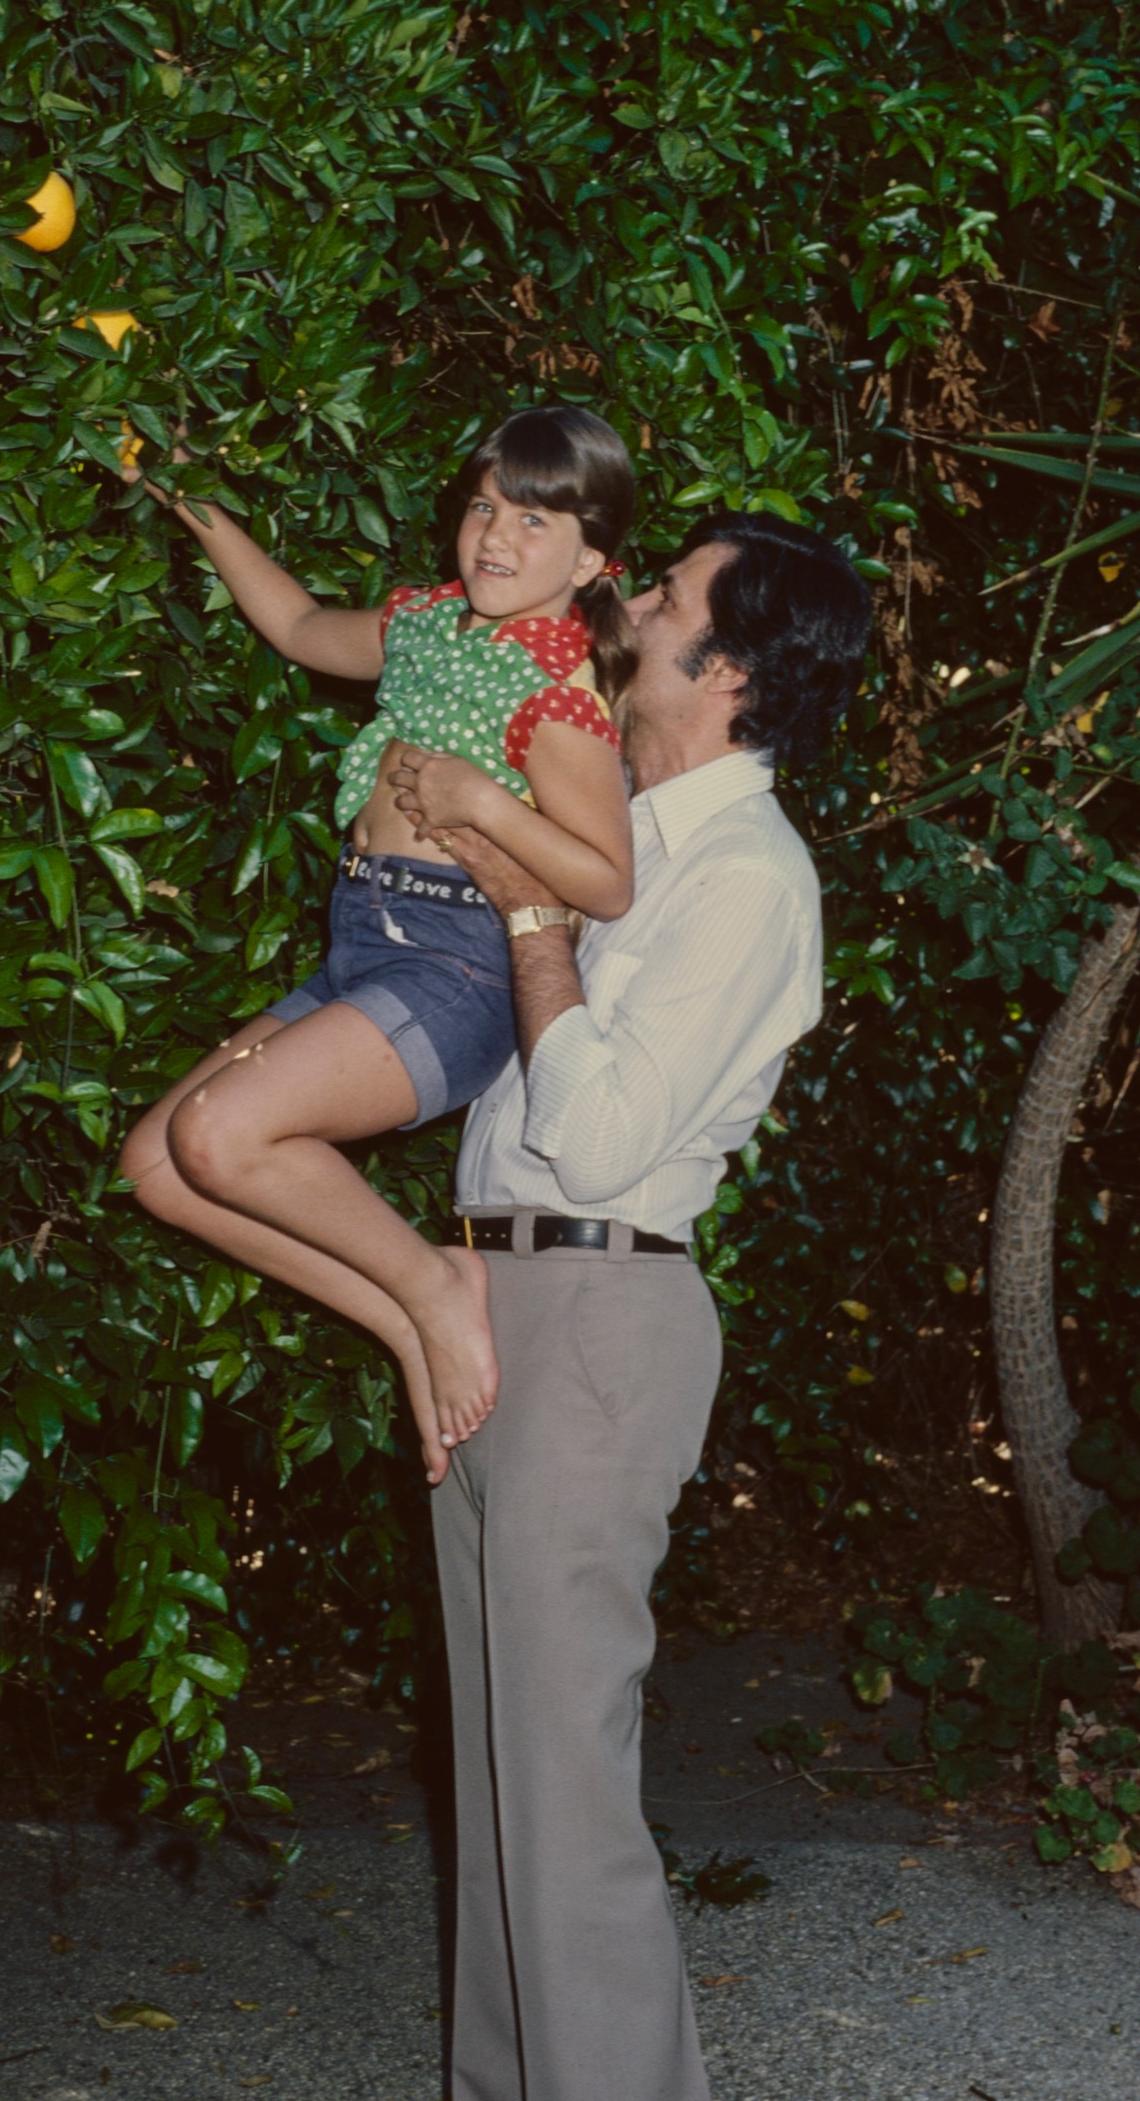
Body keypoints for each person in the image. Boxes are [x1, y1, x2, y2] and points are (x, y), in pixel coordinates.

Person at [387, 510, 872, 2101]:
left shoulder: (746, 877)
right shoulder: (625, 826)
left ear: (725, 668)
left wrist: (529, 912)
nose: (628, 597)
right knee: (493, 1787)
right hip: (494, 1295)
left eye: (663, 595)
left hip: (601, 1317)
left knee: (565, 1793)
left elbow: (594, 1134)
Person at [119, 407, 638, 1472]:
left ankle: (433, 1285)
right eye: (486, 507)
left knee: (221, 1137)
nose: (497, 535)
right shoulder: (428, 626)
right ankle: (406, 1320)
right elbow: (303, 626)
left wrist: (484, 807)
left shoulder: (556, 695)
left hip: (455, 967)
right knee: (159, 1169)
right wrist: (185, 495)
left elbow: (608, 882)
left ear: (592, 559)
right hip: (367, 939)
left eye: (536, 522)